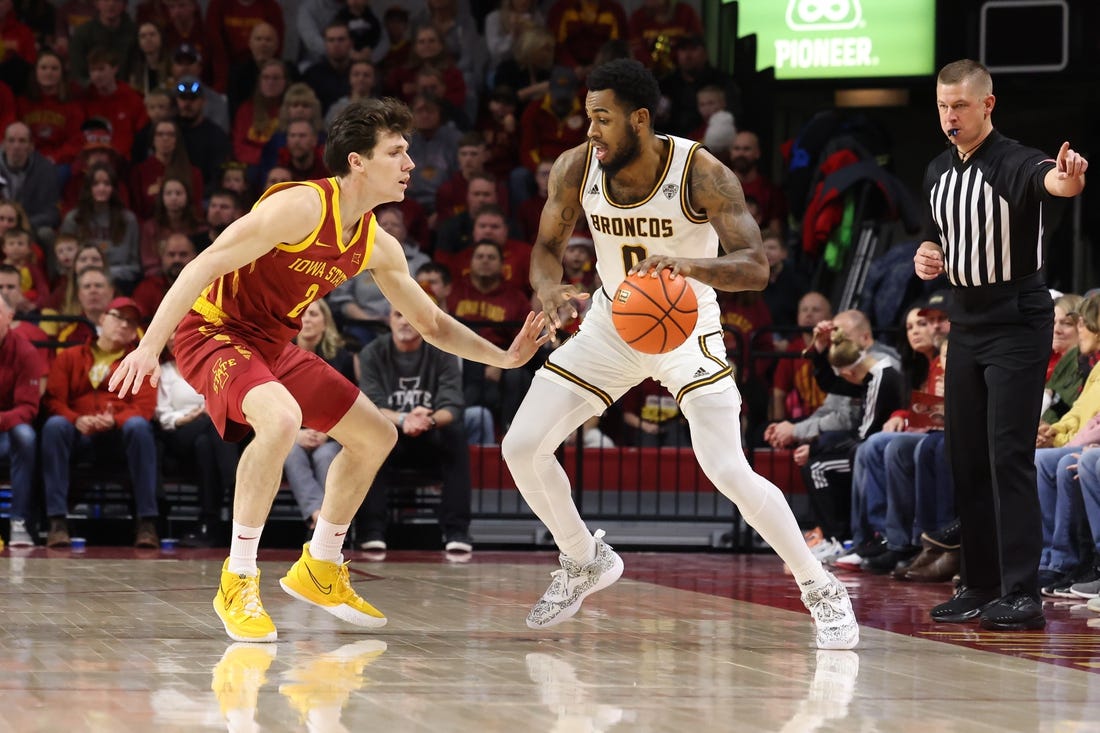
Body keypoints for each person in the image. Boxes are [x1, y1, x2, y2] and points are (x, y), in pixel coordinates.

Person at [108, 98, 548, 644]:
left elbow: (431, 323)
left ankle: (320, 565)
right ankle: (237, 578)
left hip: (271, 343)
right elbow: (204, 263)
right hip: (213, 331)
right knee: (281, 419)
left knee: (375, 435)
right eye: (397, 151)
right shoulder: (300, 208)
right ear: (358, 162)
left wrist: (505, 357)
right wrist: (149, 346)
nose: (410, 162)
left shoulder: (376, 244)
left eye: (409, 151)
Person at [500, 59, 857, 648]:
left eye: (602, 119)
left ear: (639, 120)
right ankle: (584, 557)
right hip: (612, 321)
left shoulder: (701, 172)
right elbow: (544, 248)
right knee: (521, 445)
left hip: (685, 325)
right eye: (588, 118)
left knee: (727, 470)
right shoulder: (575, 167)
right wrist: (550, 288)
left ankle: (819, 587)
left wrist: (691, 265)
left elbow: (756, 267)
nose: (590, 130)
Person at [913, 59, 1089, 631]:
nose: (950, 116)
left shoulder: (1015, 160)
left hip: (1017, 320)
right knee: (963, 458)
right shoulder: (938, 170)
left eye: (960, 105)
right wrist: (927, 257)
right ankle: (981, 584)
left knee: (1006, 456)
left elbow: (1053, 181)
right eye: (943, 106)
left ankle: (1023, 592)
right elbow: (942, 241)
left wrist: (1071, 177)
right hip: (965, 323)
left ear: (988, 105)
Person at [42, 297, 160, 548]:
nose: (124, 325)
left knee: (139, 427)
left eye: (131, 322)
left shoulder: (141, 363)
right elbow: (54, 400)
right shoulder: (70, 356)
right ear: (102, 318)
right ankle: (57, 522)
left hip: (119, 437)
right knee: (54, 426)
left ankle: (147, 523)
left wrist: (114, 420)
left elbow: (145, 408)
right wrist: (77, 419)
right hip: (79, 434)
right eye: (118, 317)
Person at [357, 307, 474, 553]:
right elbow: (371, 405)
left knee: (456, 433)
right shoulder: (372, 353)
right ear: (389, 320)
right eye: (398, 315)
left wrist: (427, 421)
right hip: (392, 434)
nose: (404, 322)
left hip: (430, 433)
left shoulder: (442, 352)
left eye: (410, 315)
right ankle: (372, 531)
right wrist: (403, 419)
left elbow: (452, 407)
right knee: (372, 439)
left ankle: (457, 532)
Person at [0, 292, 45, 547]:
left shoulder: (25, 351)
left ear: (9, 317)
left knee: (26, 436)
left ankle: (19, 522)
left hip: (7, 432)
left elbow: (28, 408)